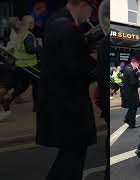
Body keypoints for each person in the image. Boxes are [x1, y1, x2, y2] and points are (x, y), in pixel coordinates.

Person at [36, 0, 97, 179]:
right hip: (69, 107)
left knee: (67, 159)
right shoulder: (68, 29)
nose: (89, 15)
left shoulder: (55, 20)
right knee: (72, 163)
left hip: (56, 103)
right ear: (82, 5)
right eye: (90, 9)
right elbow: (77, 71)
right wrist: (95, 58)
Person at [1, 15, 40, 113]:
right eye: (33, 22)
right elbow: (30, 49)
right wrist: (41, 48)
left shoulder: (20, 34)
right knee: (38, 84)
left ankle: (8, 99)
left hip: (20, 65)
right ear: (30, 24)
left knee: (23, 85)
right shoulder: (28, 35)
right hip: (29, 65)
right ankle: (37, 107)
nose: (34, 24)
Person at [121, 56, 140, 128]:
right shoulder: (131, 70)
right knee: (134, 107)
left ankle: (127, 119)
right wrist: (139, 82)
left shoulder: (127, 67)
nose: (138, 66)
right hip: (131, 92)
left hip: (127, 91)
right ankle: (132, 124)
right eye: (138, 64)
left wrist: (136, 72)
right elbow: (133, 83)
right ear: (135, 63)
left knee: (132, 107)